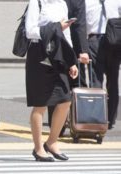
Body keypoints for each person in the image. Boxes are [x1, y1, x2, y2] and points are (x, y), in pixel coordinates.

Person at [25, 0, 78, 162]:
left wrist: (72, 61)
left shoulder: (62, 3)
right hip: (39, 54)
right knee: (40, 103)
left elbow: (66, 33)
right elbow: (30, 31)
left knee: (65, 100)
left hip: (58, 53)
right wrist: (55, 28)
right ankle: (38, 147)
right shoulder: (37, 2)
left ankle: (52, 142)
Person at [48, 0, 90, 136]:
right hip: (70, 48)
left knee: (54, 85)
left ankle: (56, 129)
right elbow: (79, 26)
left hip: (52, 46)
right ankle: (81, 123)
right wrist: (83, 50)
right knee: (77, 84)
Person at [85, 0, 121, 129]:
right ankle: (109, 119)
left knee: (97, 80)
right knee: (110, 81)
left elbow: (82, 24)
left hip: (105, 39)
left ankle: (97, 118)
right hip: (111, 40)